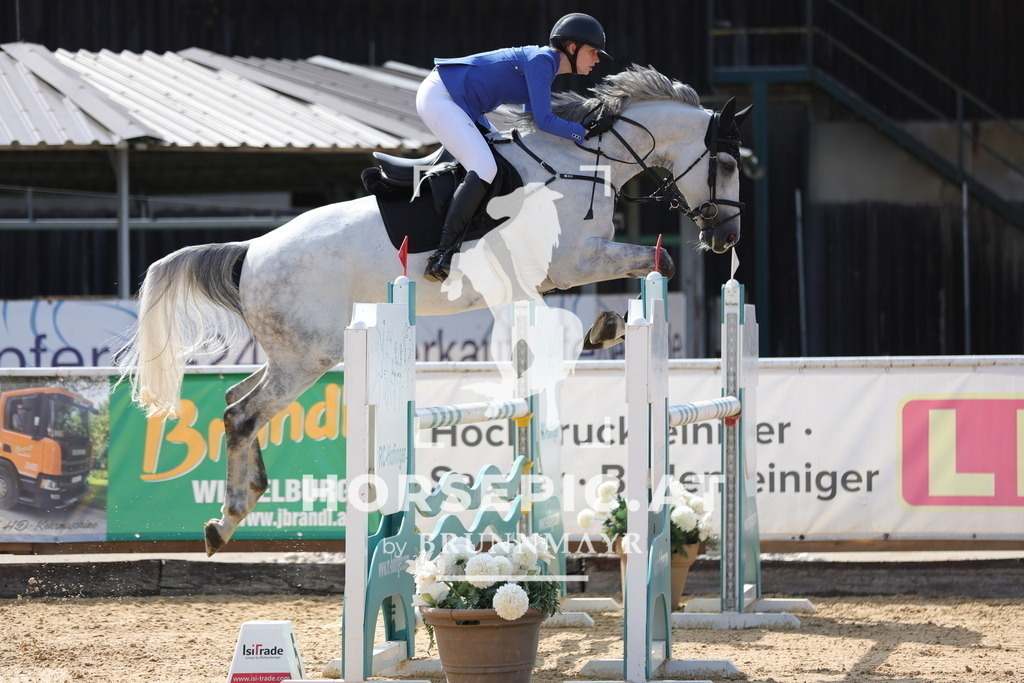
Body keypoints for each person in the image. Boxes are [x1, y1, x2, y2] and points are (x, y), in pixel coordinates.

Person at [416, 13, 616, 282]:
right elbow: (544, 122)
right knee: (485, 167)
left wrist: (580, 129)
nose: (597, 59)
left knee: (501, 157)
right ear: (572, 48)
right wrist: (584, 132)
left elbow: (533, 121)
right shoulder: (542, 61)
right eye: (593, 52)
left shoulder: (545, 66)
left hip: (461, 103)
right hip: (442, 96)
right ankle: (442, 255)